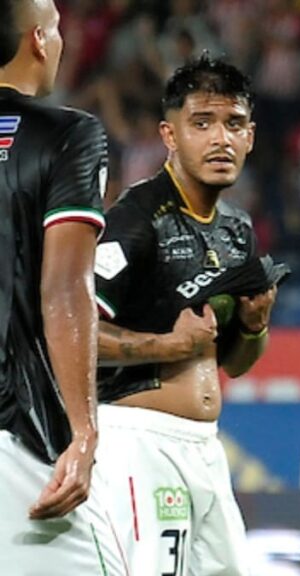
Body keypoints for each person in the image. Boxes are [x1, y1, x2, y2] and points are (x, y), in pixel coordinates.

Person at [92, 54, 281, 576]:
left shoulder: (238, 229)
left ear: (251, 137)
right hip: (137, 440)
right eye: (202, 123)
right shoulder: (134, 220)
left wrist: (253, 324)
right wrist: (166, 347)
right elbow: (70, 332)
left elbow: (237, 364)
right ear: (169, 135)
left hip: (204, 446)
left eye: (233, 124)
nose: (220, 139)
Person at [0, 0, 127, 573]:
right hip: (19, 436)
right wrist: (83, 434)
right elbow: (64, 289)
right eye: (55, 27)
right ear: (37, 40)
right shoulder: (68, 134)